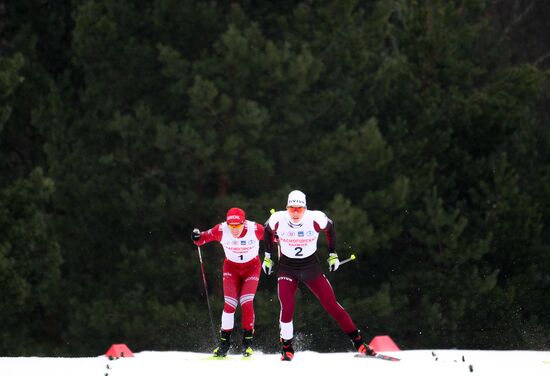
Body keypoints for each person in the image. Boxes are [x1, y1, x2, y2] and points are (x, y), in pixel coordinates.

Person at [262, 190, 376, 361]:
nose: (295, 213)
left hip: (310, 267)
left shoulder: (315, 218)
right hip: (287, 268)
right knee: (287, 307)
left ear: (305, 208)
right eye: (291, 208)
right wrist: (268, 257)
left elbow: (330, 228)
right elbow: (267, 230)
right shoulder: (278, 218)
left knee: (331, 304)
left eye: (299, 209)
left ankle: (359, 342)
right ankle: (287, 348)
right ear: (286, 208)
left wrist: (332, 254)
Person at [192, 207, 264, 357]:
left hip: (252, 268)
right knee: (229, 304)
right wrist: (197, 237)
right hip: (231, 269)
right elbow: (203, 238)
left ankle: (247, 344)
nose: (234, 230)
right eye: (232, 226)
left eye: (237, 226)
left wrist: (276, 235)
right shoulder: (221, 229)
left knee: (246, 301)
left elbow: (272, 236)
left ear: (243, 223)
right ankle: (224, 344)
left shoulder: (254, 228)